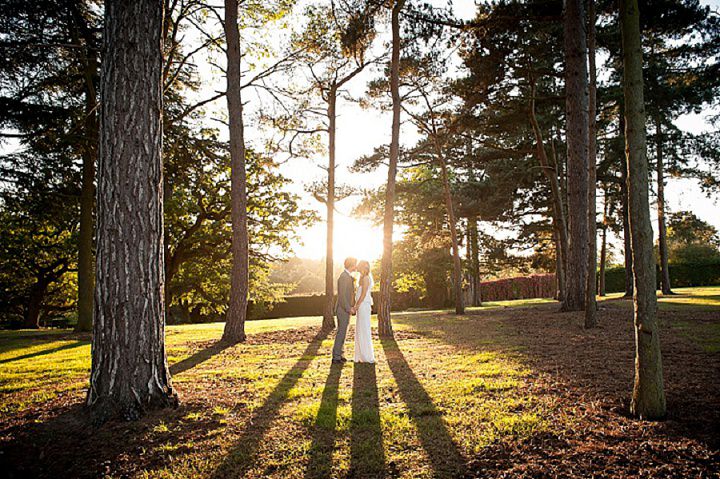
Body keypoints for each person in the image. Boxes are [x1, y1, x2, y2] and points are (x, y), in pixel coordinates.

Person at [332, 257, 357, 364]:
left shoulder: (347, 276)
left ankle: (341, 354)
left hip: (346, 309)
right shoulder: (343, 277)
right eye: (355, 264)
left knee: (344, 332)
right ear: (351, 264)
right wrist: (348, 308)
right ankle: (336, 357)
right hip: (342, 309)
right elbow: (342, 296)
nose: (356, 266)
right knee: (341, 332)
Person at [352, 260, 375, 363]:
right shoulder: (361, 278)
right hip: (361, 306)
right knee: (360, 328)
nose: (365, 269)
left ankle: (366, 355)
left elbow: (364, 294)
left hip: (363, 306)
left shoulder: (366, 278)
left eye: (367, 267)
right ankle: (361, 355)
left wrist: (356, 306)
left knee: (364, 328)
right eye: (364, 267)